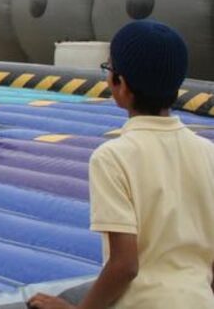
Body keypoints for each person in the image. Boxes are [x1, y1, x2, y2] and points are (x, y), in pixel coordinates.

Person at [29, 20, 214, 309]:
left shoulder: (113, 157)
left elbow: (125, 265)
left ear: (121, 84)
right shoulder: (208, 153)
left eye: (109, 68)